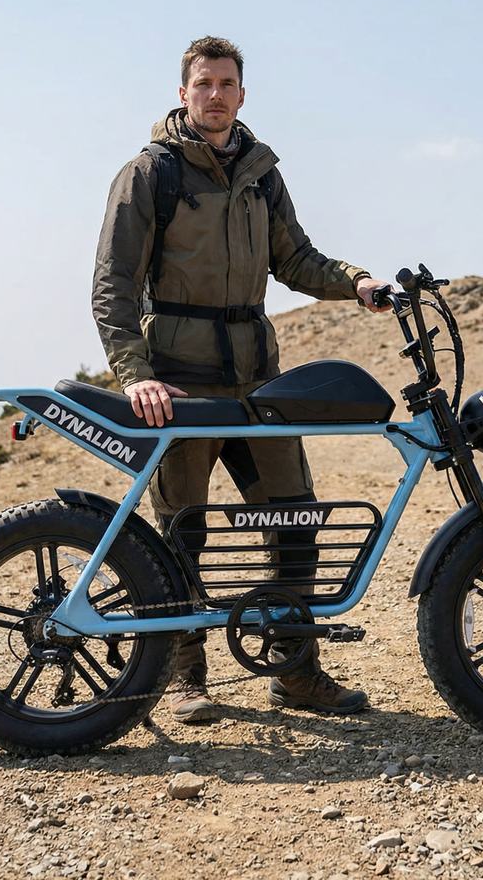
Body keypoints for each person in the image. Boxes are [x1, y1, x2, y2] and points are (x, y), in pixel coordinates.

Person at [93, 35, 390, 723]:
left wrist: (357, 282)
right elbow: (112, 284)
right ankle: (183, 675)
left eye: (227, 84)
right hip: (180, 385)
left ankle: (295, 673)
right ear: (184, 93)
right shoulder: (150, 173)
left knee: (296, 522)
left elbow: (297, 259)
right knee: (182, 534)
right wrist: (135, 374)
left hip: (258, 384)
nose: (216, 95)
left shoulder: (261, 173)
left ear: (242, 94)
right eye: (204, 84)